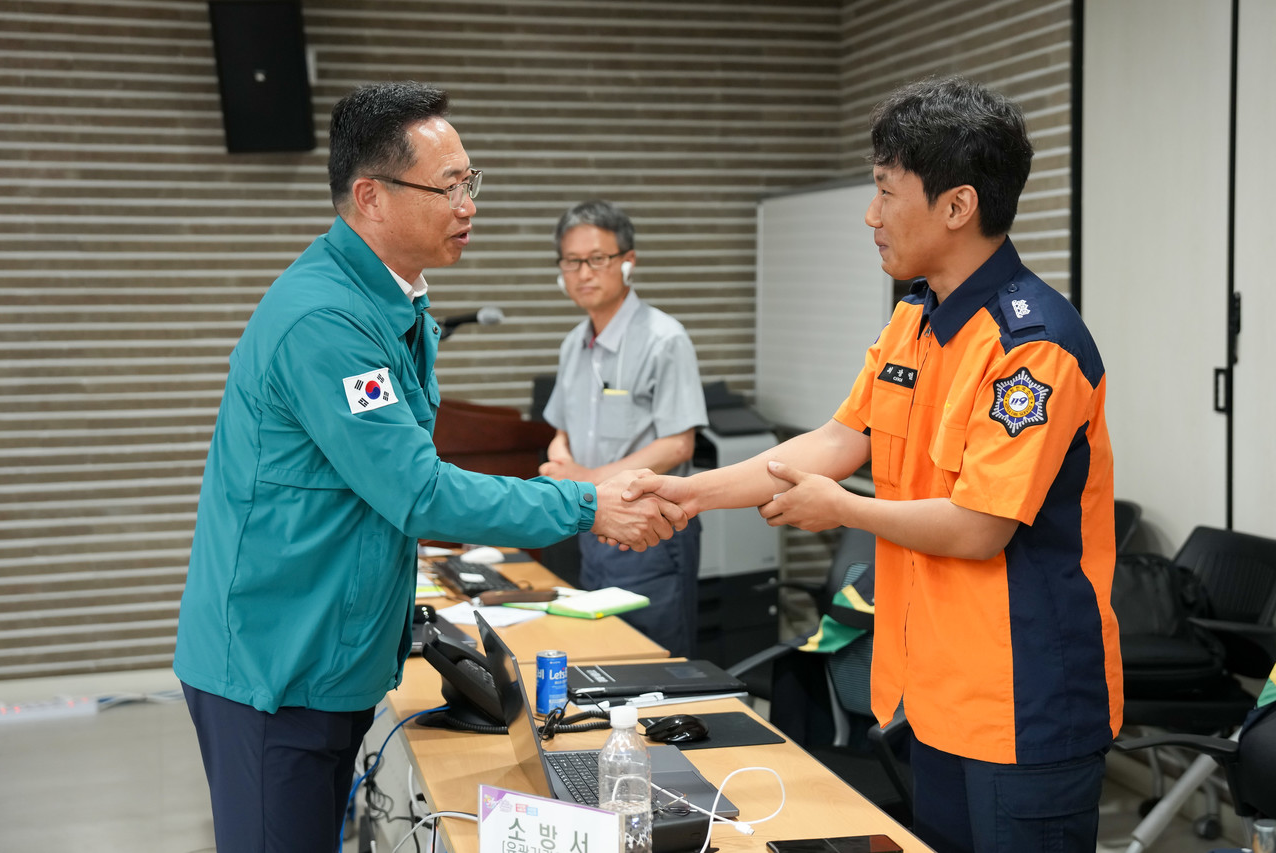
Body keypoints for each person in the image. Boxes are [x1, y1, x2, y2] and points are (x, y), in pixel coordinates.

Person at [172, 82, 684, 853]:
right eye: (448, 186)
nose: (468, 203)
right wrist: (583, 503)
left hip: (324, 653)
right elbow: (414, 489)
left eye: (469, 182)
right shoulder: (328, 320)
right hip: (272, 666)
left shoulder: (394, 302)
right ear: (371, 196)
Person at [620, 75, 1123, 853]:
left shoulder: (1035, 347)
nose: (871, 214)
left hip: (1024, 702)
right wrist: (689, 492)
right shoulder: (915, 319)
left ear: (957, 207)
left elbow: (980, 526)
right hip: (935, 693)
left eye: (888, 192)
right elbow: (834, 440)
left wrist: (845, 509)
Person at [538, 200, 708, 656]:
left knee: (651, 661)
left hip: (650, 527)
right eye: (572, 262)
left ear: (628, 263)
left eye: (598, 259)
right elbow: (561, 429)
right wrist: (560, 459)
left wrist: (587, 479)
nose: (584, 273)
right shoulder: (573, 344)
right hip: (593, 524)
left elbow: (677, 444)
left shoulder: (664, 339)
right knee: (602, 655)